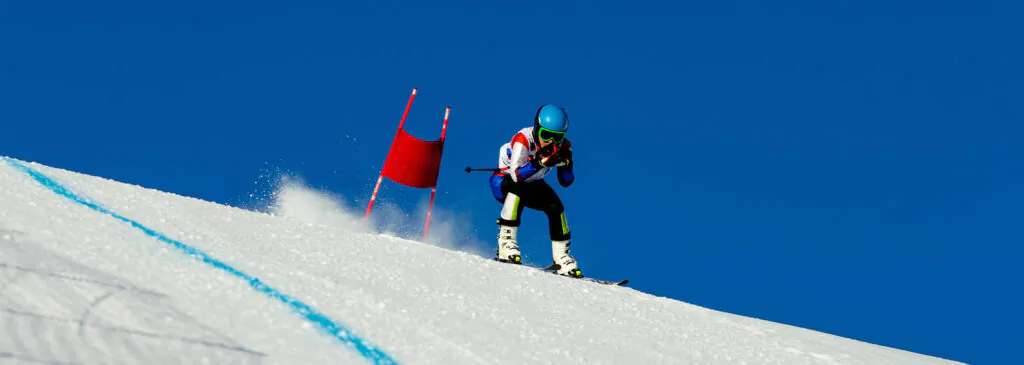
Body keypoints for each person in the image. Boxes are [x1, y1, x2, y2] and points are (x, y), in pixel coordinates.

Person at [489, 104, 581, 278]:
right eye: (545, 135)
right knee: (517, 191)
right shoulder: (524, 139)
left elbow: (566, 181)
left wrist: (566, 164)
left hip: (532, 183)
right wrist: (539, 162)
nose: (551, 142)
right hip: (503, 181)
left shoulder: (563, 146)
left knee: (555, 206)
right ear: (537, 129)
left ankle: (561, 255)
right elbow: (516, 175)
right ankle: (505, 243)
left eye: (557, 137)